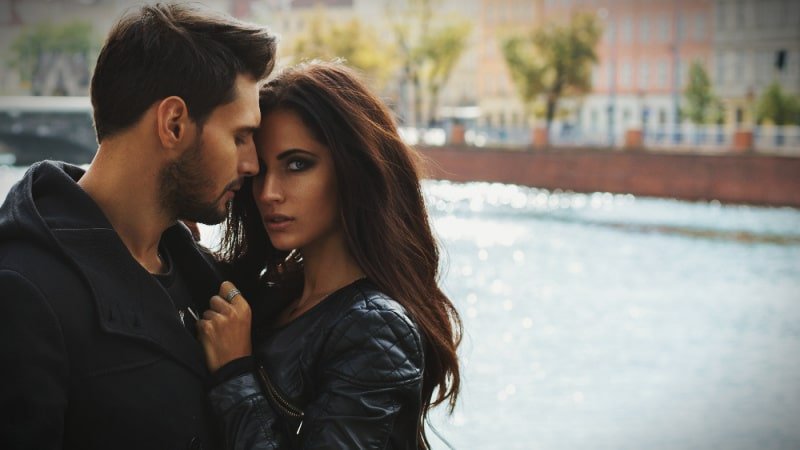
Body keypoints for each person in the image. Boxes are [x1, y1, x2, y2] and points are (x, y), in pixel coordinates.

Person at [0, 4, 276, 449]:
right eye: (240, 137)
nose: (252, 163)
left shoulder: (201, 273)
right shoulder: (22, 290)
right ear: (173, 124)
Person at [197, 61, 462, 449]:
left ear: (351, 170)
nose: (269, 192)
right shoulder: (268, 296)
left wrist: (236, 375)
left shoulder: (375, 329)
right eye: (261, 171)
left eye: (298, 165)